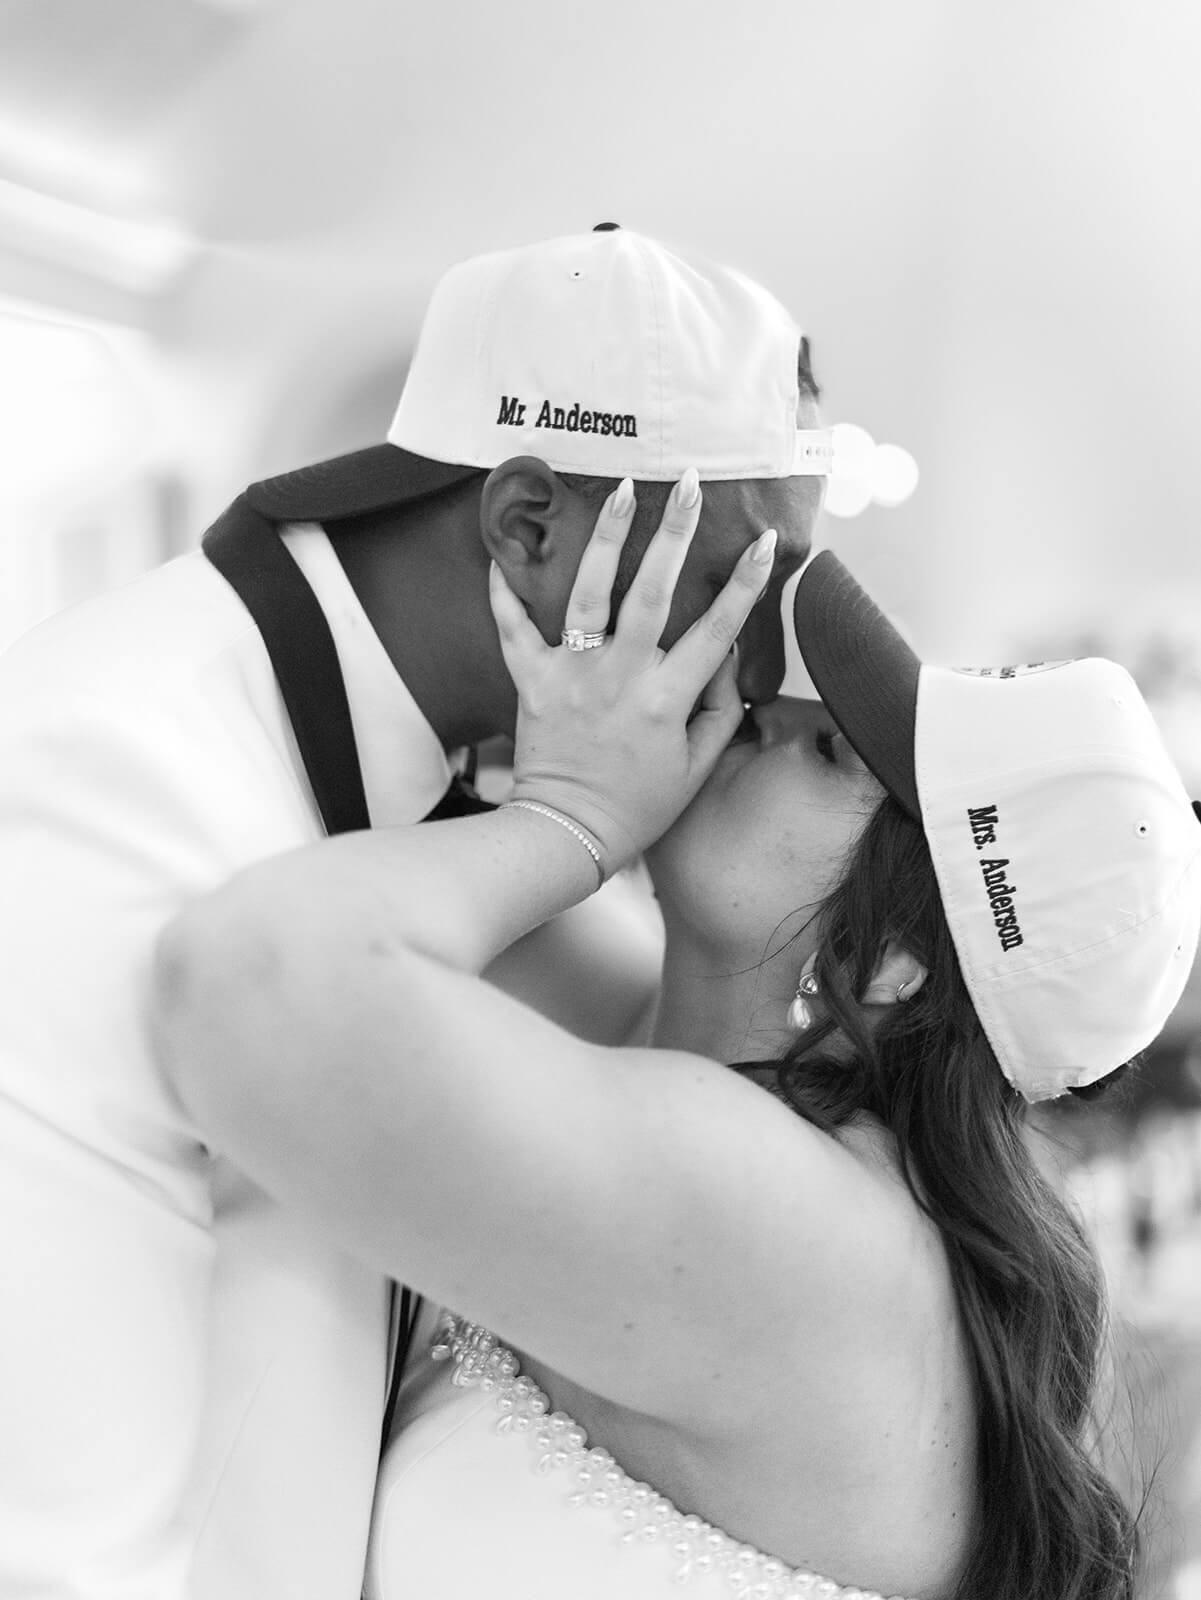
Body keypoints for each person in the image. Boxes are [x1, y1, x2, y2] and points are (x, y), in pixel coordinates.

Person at [151, 497, 1201, 1600]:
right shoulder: (691, 1060)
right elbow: (409, 834)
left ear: (897, 959)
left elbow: (245, 980)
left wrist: (569, 820)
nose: (775, 706)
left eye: (834, 747)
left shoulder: (800, 1230)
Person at [0, 227, 832, 1599]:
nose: (748, 670)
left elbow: (668, 1126)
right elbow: (55, 1539)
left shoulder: (448, 797)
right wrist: (566, 829)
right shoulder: (104, 783)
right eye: (726, 585)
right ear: (526, 526)